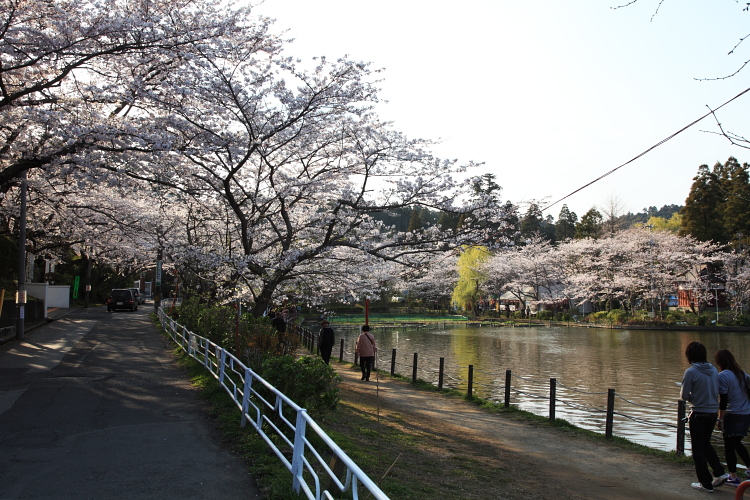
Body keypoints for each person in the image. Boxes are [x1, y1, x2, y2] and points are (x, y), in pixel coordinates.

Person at [680, 341, 728, 493]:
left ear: (689, 356)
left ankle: (705, 483)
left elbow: (683, 395)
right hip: (712, 413)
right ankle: (719, 472)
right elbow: (718, 390)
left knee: (698, 449)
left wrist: (694, 397)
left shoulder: (691, 372)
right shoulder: (713, 370)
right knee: (705, 444)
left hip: (698, 413)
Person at [715, 349, 750, 487]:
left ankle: (733, 476)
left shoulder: (723, 376)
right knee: (736, 443)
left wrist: (720, 418)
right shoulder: (742, 374)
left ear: (719, 362)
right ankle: (747, 468)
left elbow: (723, 400)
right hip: (746, 414)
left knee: (729, 446)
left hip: (732, 414)